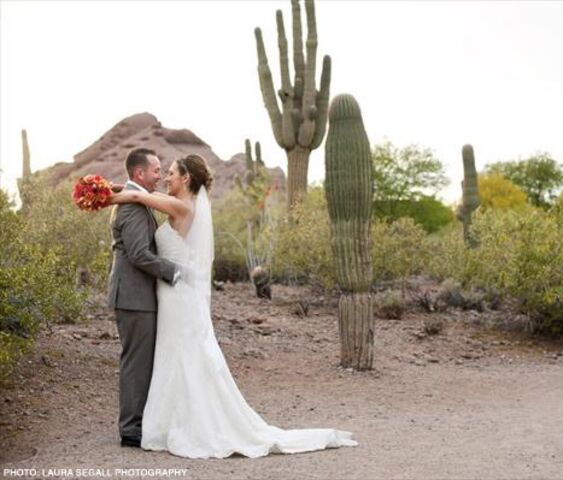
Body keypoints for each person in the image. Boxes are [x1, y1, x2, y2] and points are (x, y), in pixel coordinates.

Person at [109, 153, 357, 458]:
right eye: (161, 172)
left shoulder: (179, 206)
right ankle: (167, 419)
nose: (165, 177)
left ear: (186, 179)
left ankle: (177, 421)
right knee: (176, 356)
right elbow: (139, 194)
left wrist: (103, 196)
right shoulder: (180, 203)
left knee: (181, 355)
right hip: (171, 293)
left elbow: (137, 194)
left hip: (175, 291)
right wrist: (110, 187)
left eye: (170, 172)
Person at [108, 147, 187, 448]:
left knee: (141, 361)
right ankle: (130, 430)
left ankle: (141, 421)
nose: (160, 175)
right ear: (140, 173)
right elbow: (140, 254)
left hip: (137, 295)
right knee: (136, 363)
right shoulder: (131, 207)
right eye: (156, 170)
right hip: (133, 296)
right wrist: (175, 272)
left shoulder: (135, 200)